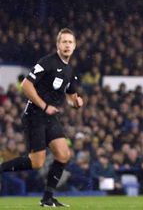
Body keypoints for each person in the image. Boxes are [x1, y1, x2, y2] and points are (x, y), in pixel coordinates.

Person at [0, 28, 83, 207]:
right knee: (37, 162)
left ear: (74, 46)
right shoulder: (48, 62)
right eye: (64, 42)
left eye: (70, 42)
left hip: (50, 117)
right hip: (35, 115)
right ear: (58, 45)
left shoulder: (69, 70)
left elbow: (70, 96)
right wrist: (44, 106)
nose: (67, 45)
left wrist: (76, 102)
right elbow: (26, 85)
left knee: (63, 155)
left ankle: (47, 198)